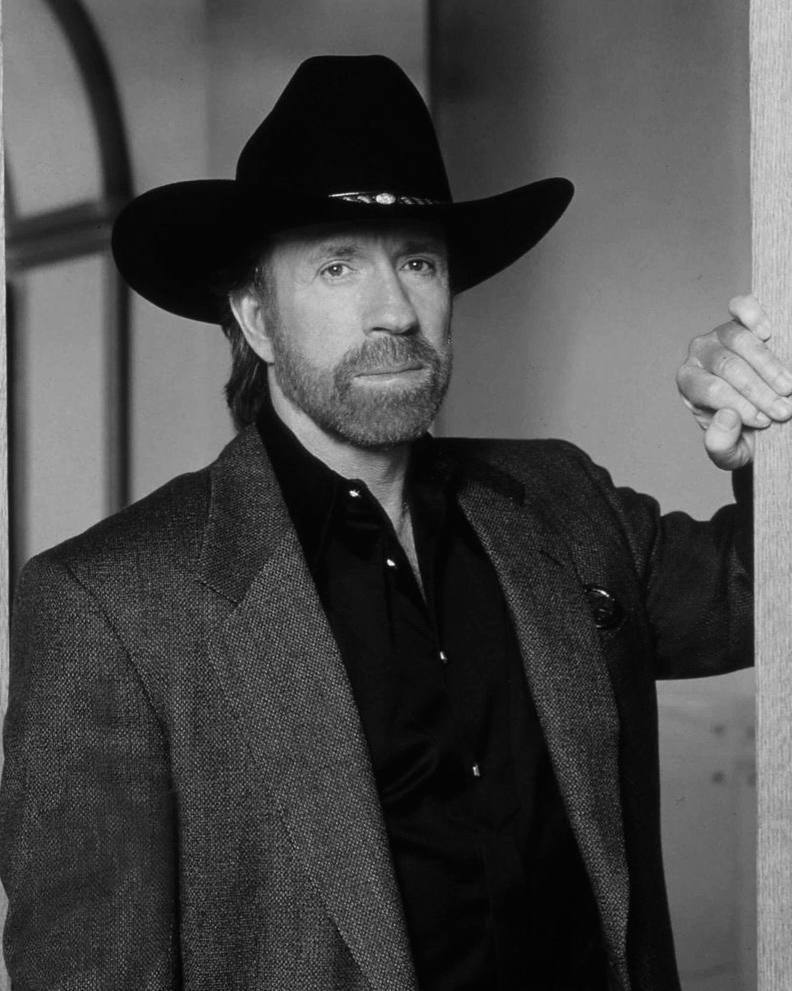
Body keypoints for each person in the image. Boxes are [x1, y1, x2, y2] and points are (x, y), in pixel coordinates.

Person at [0, 54, 789, 991]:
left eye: (418, 261)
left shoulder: (563, 500)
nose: (394, 312)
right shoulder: (109, 606)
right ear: (255, 317)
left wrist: (772, 429)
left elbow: (763, 597)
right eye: (337, 265)